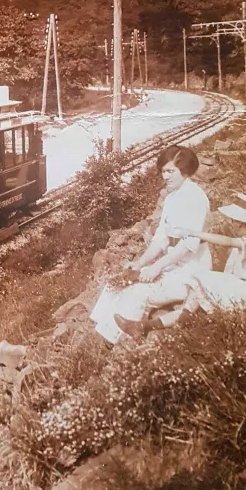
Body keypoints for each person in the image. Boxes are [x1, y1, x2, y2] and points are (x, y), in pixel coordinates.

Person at [91, 145, 210, 343]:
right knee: (119, 281)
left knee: (138, 291)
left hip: (190, 270)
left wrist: (155, 268)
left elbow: (187, 246)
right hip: (171, 264)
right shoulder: (172, 197)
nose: (166, 176)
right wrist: (139, 264)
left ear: (186, 171)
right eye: (163, 171)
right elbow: (161, 240)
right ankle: (100, 335)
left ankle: (119, 341)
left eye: (171, 171)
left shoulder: (195, 198)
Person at [115, 193, 246, 337]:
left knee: (200, 278)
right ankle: (144, 326)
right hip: (238, 288)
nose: (231, 224)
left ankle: (179, 320)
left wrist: (197, 234)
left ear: (245, 224)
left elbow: (228, 241)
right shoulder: (243, 245)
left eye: (235, 221)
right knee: (191, 302)